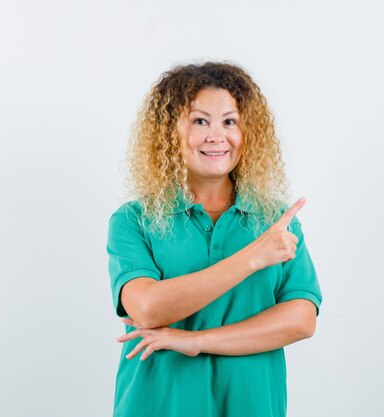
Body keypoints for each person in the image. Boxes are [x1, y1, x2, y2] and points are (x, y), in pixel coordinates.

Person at [106, 61, 323, 417]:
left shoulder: (275, 222)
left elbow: (301, 320)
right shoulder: (134, 220)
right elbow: (146, 308)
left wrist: (195, 341)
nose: (216, 135)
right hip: (159, 404)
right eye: (200, 121)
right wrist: (252, 258)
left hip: (250, 405)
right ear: (169, 131)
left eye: (230, 121)